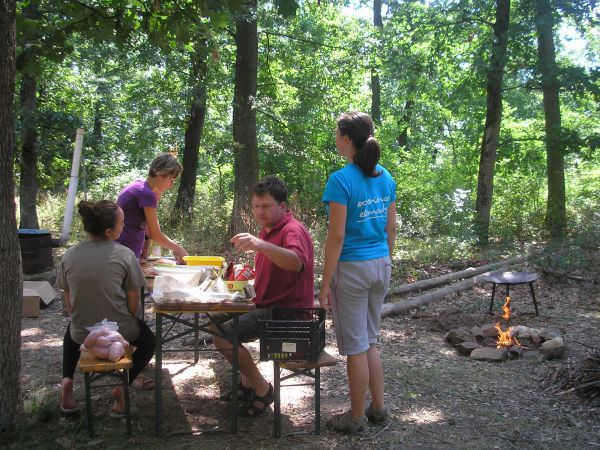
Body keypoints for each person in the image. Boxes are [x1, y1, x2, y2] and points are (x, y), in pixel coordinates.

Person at [318, 112, 397, 434]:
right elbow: (391, 227)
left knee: (355, 347)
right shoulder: (385, 176)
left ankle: (355, 417)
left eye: (337, 133)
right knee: (370, 341)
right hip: (381, 264)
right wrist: (385, 259)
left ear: (347, 139)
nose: (335, 138)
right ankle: (378, 408)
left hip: (352, 269)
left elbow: (336, 237)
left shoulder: (341, 180)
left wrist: (325, 283)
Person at [211, 175, 314, 416]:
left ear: (283, 206)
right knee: (213, 321)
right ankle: (248, 383)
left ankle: (261, 388)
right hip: (266, 305)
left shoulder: (292, 230)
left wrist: (259, 244)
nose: (260, 212)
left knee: (221, 335)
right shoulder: (269, 230)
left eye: (266, 206)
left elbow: (296, 262)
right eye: (256, 206)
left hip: (287, 314)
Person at [57, 200, 156, 416]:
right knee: (150, 343)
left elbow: (69, 301)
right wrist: (127, 318)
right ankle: (122, 387)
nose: (125, 225)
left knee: (71, 333)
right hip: (119, 331)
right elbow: (133, 303)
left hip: (83, 332)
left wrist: (81, 317)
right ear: (110, 231)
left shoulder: (69, 255)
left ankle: (67, 381)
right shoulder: (125, 254)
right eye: (122, 222)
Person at [116, 152, 188, 263]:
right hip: (125, 253)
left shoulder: (139, 185)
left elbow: (148, 231)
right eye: (171, 180)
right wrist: (179, 249)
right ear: (160, 174)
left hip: (121, 251)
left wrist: (145, 252)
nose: (171, 186)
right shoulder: (146, 194)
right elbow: (155, 234)